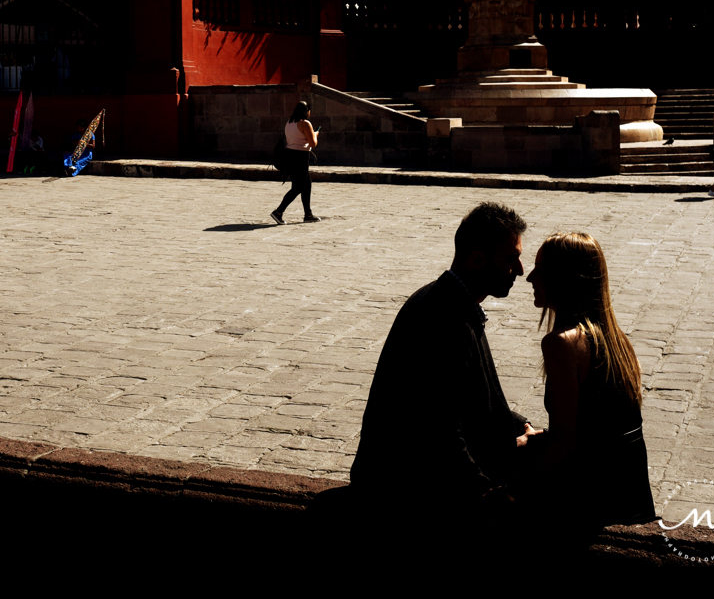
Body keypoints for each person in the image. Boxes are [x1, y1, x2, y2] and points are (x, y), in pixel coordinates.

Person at [343, 203, 539, 548]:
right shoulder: (446, 320)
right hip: (407, 504)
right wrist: (488, 492)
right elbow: (440, 433)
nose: (520, 270)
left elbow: (467, 396)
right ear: (477, 260)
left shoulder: (452, 303)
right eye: (511, 258)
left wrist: (515, 424)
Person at [522, 232, 656, 541]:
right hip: (631, 498)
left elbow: (565, 445)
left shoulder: (560, 344)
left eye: (540, 269)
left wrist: (515, 490)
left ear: (564, 278)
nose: (530, 277)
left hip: (592, 506)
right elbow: (602, 428)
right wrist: (539, 435)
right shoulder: (618, 340)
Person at [270, 101, 320, 224]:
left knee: (306, 184)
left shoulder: (289, 122)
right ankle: (278, 211)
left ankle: (308, 214)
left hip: (290, 155)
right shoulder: (305, 123)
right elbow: (313, 143)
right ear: (306, 111)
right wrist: (315, 134)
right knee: (298, 187)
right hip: (301, 156)